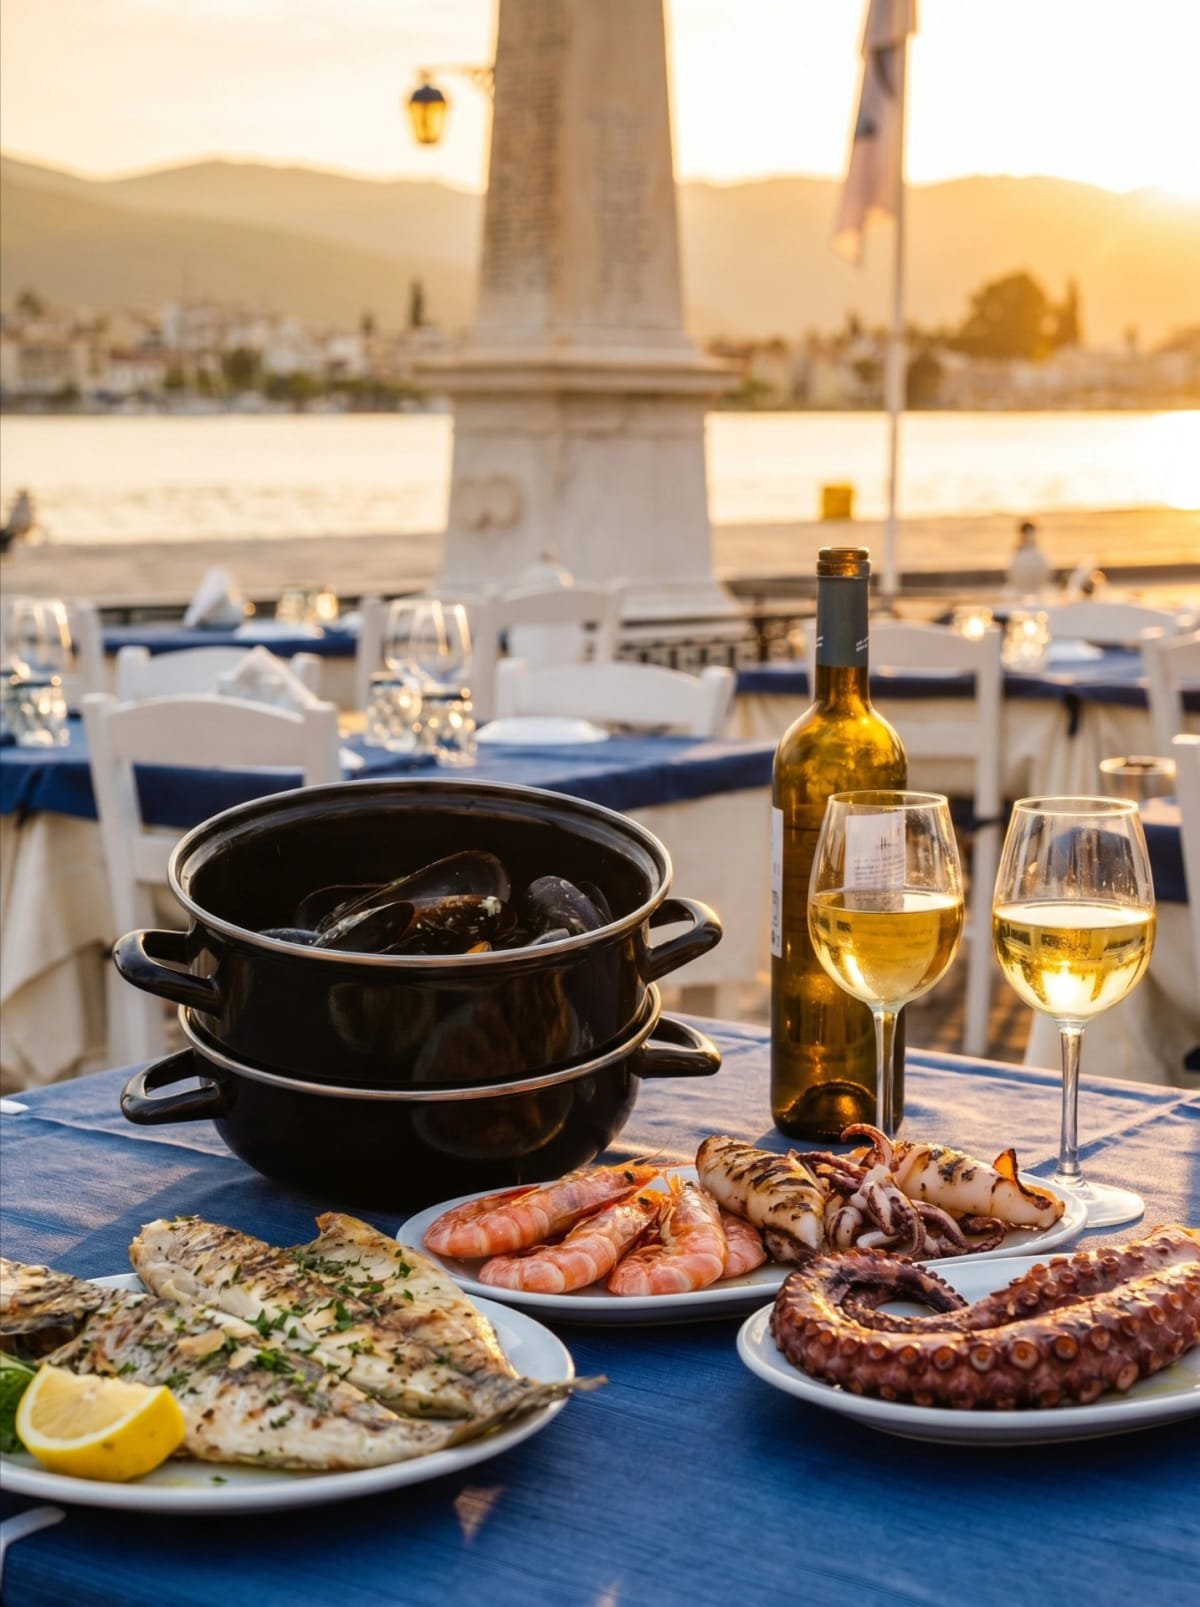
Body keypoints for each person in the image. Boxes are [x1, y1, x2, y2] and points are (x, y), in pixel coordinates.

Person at [1005, 519, 1051, 598]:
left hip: (1035, 589)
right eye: (1028, 533)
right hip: (1022, 590)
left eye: (1031, 533)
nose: (1030, 536)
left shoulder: (1037, 553)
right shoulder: (1019, 554)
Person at [0, 489, 36, 555]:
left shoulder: (26, 507)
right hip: (13, 527)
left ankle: (5, 551)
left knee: (6, 536)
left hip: (19, 528)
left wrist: (15, 527)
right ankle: (4, 551)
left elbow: (26, 521)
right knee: (3, 534)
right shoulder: (18, 506)